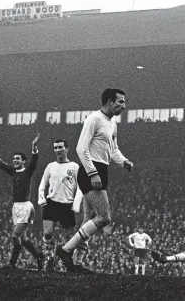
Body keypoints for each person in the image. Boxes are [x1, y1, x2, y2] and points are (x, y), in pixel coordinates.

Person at [56, 88, 134, 272]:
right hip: (91, 170)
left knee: (88, 219)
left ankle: (75, 263)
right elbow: (81, 148)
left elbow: (113, 149)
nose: (124, 105)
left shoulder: (112, 123)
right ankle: (65, 250)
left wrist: (124, 161)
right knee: (104, 217)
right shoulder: (94, 119)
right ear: (108, 102)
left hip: (101, 169)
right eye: (120, 102)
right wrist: (92, 173)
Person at [0, 134, 45, 270]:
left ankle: (12, 263)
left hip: (25, 206)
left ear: (23, 161)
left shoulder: (28, 171)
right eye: (14, 159)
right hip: (16, 207)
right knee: (23, 239)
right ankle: (39, 256)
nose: (14, 161)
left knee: (15, 235)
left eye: (17, 159)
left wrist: (34, 147)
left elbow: (34, 160)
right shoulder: (13, 171)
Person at [38, 139, 83, 272]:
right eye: (55, 148)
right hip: (51, 203)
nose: (58, 150)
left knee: (69, 236)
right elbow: (42, 184)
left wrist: (76, 204)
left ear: (67, 149)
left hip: (67, 205)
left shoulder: (75, 167)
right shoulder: (50, 166)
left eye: (60, 147)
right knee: (47, 232)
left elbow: (80, 187)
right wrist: (42, 199)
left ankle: (66, 262)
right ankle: (49, 259)